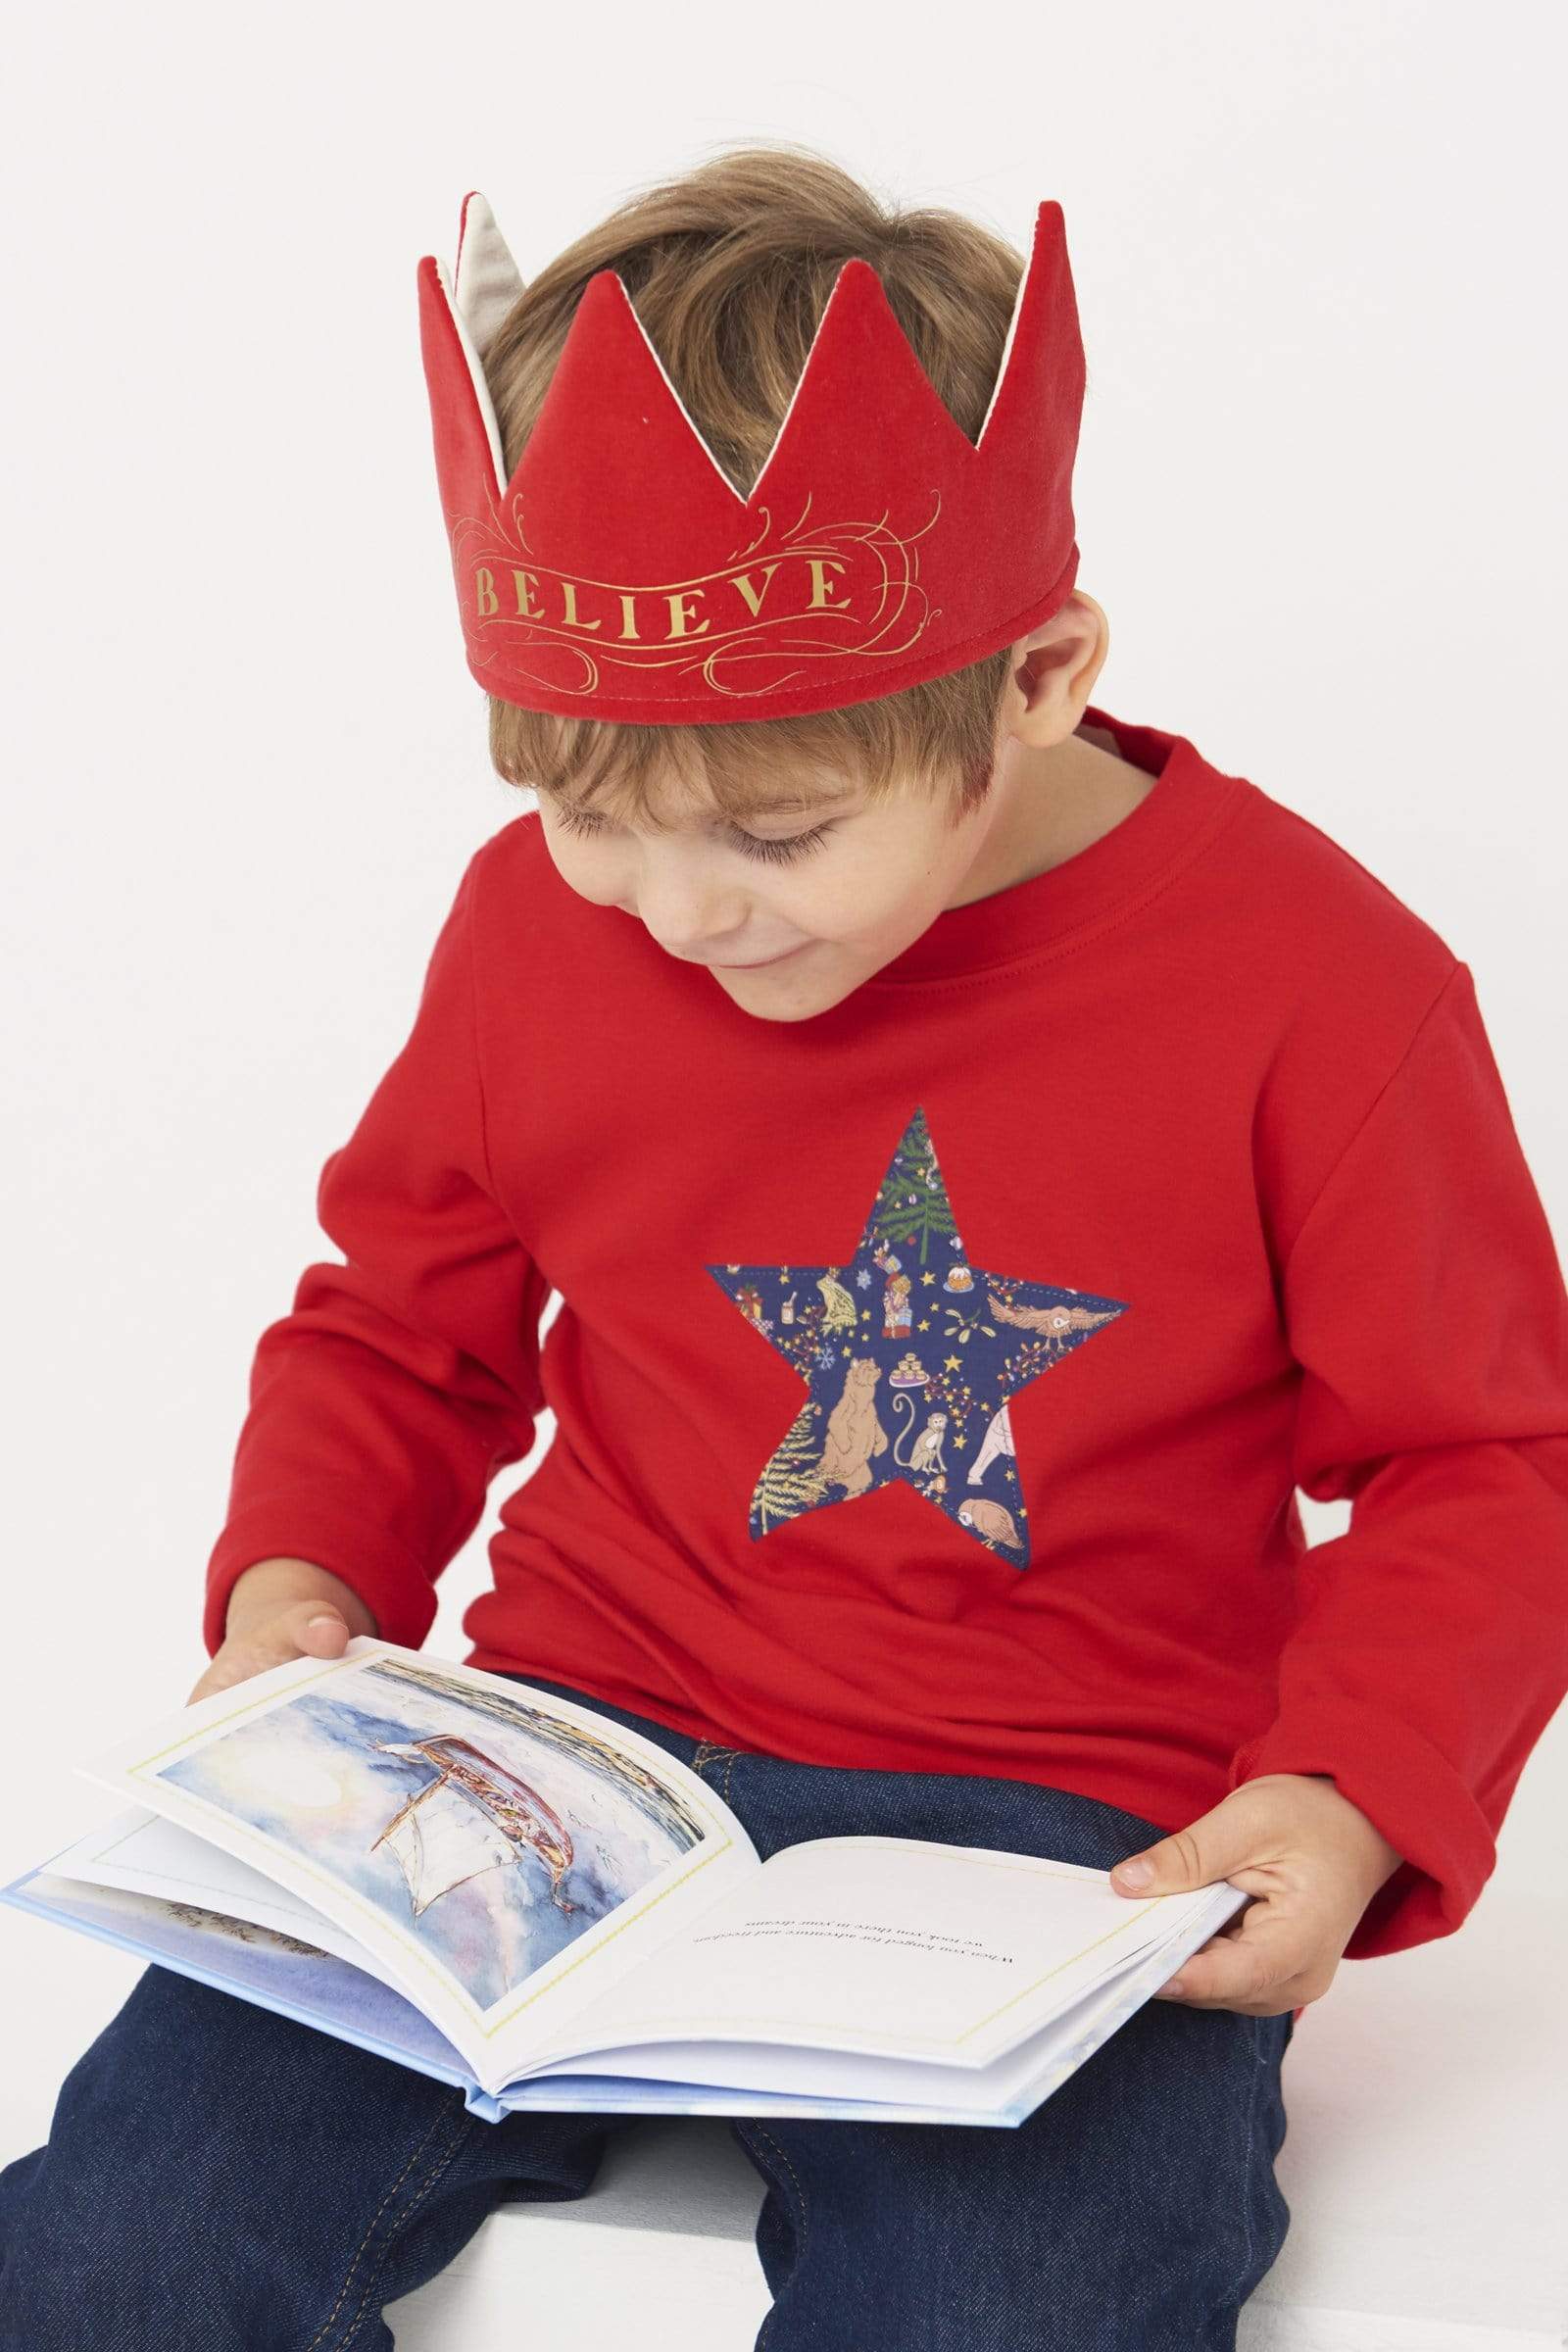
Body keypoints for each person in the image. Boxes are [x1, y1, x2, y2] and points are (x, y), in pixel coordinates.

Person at [4, 141, 1566, 2352]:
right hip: (561, 1756)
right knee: (118, 2247)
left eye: (774, 829)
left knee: (1009, 2311)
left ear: (1034, 678)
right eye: (585, 813)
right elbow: (405, 1318)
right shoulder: (541, 928)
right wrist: (304, 1586)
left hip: (1067, 1828)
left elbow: (1486, 1454)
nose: (678, 908)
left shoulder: (1320, 989)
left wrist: (1340, 1791)